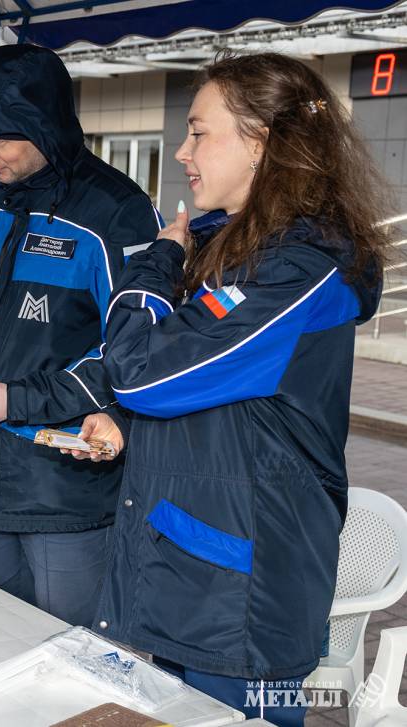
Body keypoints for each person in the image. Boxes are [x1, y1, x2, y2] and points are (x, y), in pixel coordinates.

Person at [69, 53, 389, 727]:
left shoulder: (298, 270)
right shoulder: (239, 254)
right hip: (195, 569)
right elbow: (218, 394)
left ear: (259, 143)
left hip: (242, 598)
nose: (181, 151)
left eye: (197, 131)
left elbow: (141, 370)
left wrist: (155, 262)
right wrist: (126, 423)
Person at [0, 44, 162, 627]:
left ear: (41, 127)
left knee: (71, 660)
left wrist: (20, 401)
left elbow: (138, 350)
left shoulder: (115, 211)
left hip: (62, 487)